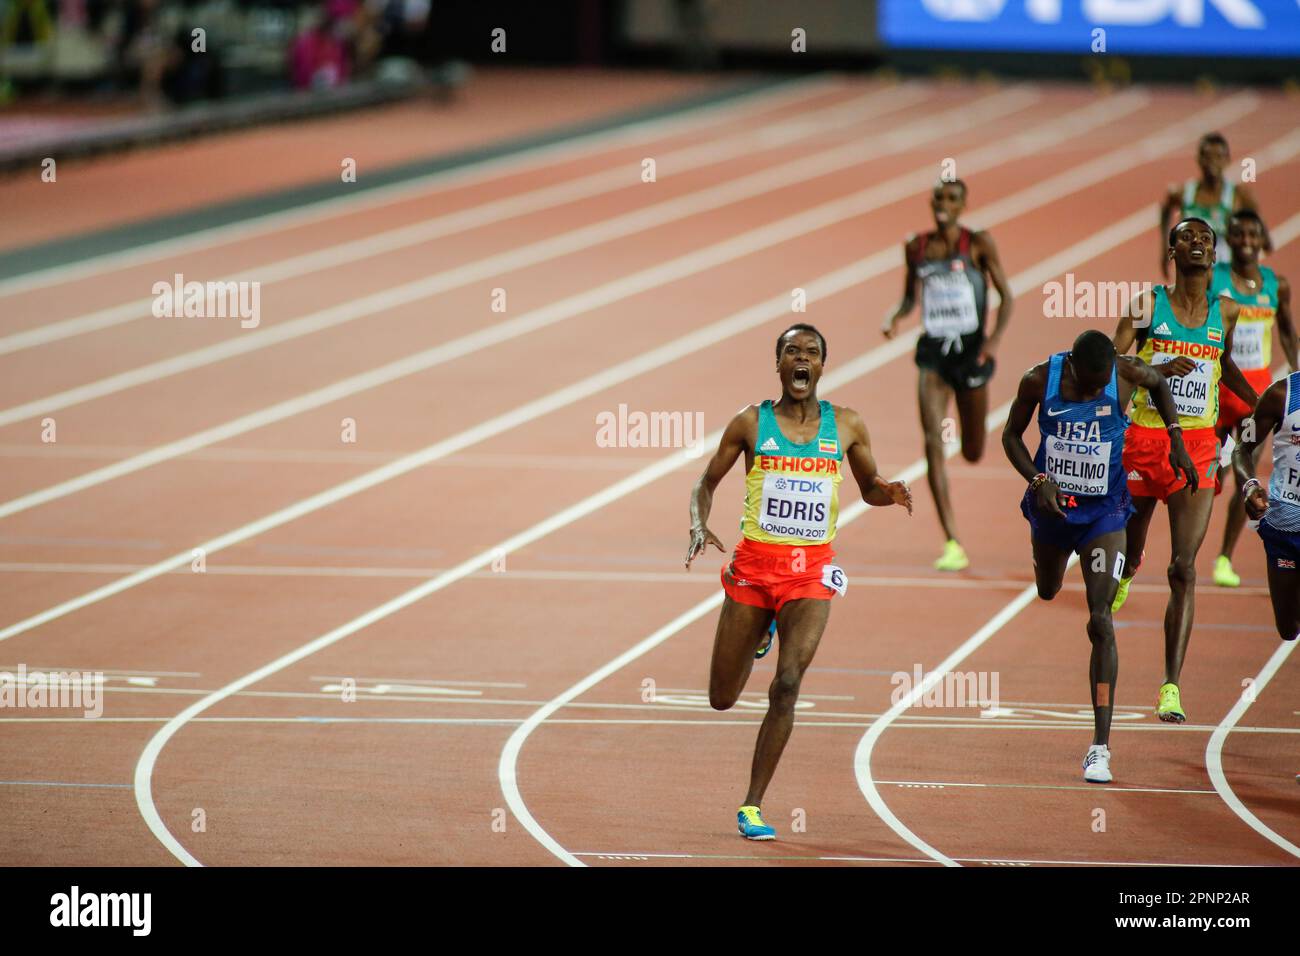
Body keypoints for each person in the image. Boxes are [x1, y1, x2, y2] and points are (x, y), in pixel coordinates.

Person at [686, 323, 912, 840]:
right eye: (791, 351)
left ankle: (752, 806)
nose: (801, 359)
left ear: (822, 366)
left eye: (810, 352)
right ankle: (761, 628)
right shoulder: (750, 422)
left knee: (787, 684)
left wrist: (888, 493)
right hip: (753, 570)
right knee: (722, 698)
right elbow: (706, 482)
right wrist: (700, 523)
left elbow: (868, 487)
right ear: (779, 365)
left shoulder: (848, 425)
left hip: (810, 574)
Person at [1004, 331, 1193, 783]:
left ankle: (1099, 747)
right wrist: (1036, 480)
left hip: (1104, 514)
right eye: (1088, 384)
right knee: (1048, 590)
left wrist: (1176, 440)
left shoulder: (1123, 372)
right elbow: (1011, 435)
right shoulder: (1038, 380)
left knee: (1101, 619)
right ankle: (1046, 563)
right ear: (1071, 366)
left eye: (1101, 383)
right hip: (1052, 509)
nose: (1095, 391)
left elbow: (1160, 384)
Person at [1111, 218, 1259, 724]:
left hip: (1195, 449)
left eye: (1205, 239)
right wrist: (1152, 373)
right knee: (1129, 549)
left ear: (1213, 256)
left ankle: (1170, 686)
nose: (1197, 243)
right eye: (1187, 237)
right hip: (1142, 443)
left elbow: (1222, 362)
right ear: (1171, 250)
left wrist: (1258, 403)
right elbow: (1114, 363)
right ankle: (1129, 567)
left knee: (1184, 568)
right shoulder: (1146, 306)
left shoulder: (1228, 312)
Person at [883, 179, 1014, 571]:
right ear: (930, 201)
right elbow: (910, 297)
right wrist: (896, 314)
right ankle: (952, 541)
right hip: (933, 357)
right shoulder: (916, 248)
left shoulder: (978, 243)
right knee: (932, 442)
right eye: (938, 198)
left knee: (972, 451)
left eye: (952, 199)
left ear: (963, 205)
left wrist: (992, 343)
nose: (944, 204)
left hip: (971, 355)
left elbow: (1007, 295)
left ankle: (954, 528)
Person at [1210, 210, 1297, 587]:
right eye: (1239, 232)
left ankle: (1224, 559)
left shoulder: (1276, 286)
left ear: (1262, 239)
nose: (1246, 239)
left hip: (1257, 395)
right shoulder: (1214, 280)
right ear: (1229, 237)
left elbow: (1289, 334)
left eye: (1252, 233)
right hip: (1216, 387)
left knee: (1245, 474)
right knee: (1209, 474)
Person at [1233, 373, 1300, 642]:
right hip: (1284, 526)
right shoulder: (1281, 395)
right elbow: (1242, 450)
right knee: (1288, 628)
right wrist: (1250, 486)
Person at [1159, 132, 1262, 278]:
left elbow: (1258, 229)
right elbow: (1165, 209)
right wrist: (1165, 248)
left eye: (1218, 157)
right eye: (1207, 156)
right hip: (1190, 267)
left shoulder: (1238, 195)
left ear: (1227, 160)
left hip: (1224, 269)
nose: (1212, 162)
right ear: (1199, 159)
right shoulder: (1184, 193)